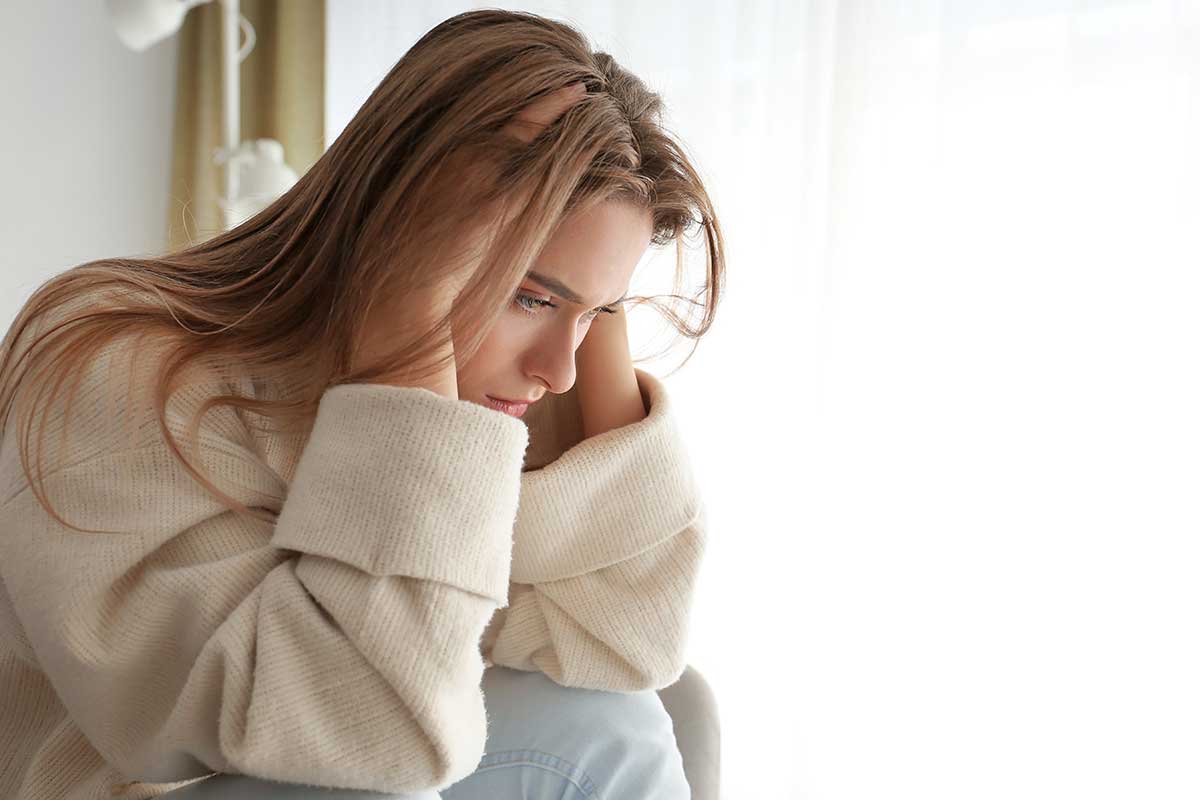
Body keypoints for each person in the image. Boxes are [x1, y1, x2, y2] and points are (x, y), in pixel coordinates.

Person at [0, 8, 725, 800]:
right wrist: (411, 315)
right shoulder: (121, 363)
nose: (559, 371)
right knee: (600, 735)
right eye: (530, 297)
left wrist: (594, 285)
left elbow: (628, 637)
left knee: (622, 710)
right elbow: (372, 727)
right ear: (412, 229)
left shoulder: (492, 396)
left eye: (596, 317)